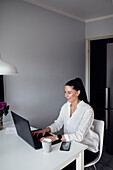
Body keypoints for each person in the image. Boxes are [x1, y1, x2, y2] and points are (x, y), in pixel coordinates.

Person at [33, 78, 99, 169]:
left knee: (64, 165)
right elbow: (58, 123)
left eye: (69, 92)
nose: (65, 95)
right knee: (52, 158)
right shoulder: (66, 106)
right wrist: (46, 129)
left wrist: (56, 137)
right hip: (70, 143)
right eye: (65, 92)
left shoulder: (87, 110)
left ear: (78, 93)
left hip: (86, 148)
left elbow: (79, 136)